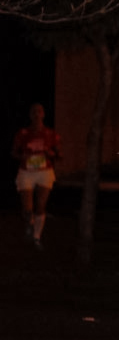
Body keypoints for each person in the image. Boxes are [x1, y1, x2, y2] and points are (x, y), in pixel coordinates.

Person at [11, 103, 61, 250]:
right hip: (26, 172)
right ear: (30, 115)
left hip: (44, 172)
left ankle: (36, 237)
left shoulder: (51, 134)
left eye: (39, 111)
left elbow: (59, 155)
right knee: (27, 208)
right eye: (33, 111)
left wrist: (51, 154)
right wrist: (22, 156)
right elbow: (13, 153)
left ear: (43, 114)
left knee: (41, 205)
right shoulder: (23, 133)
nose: (36, 114)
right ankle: (29, 224)